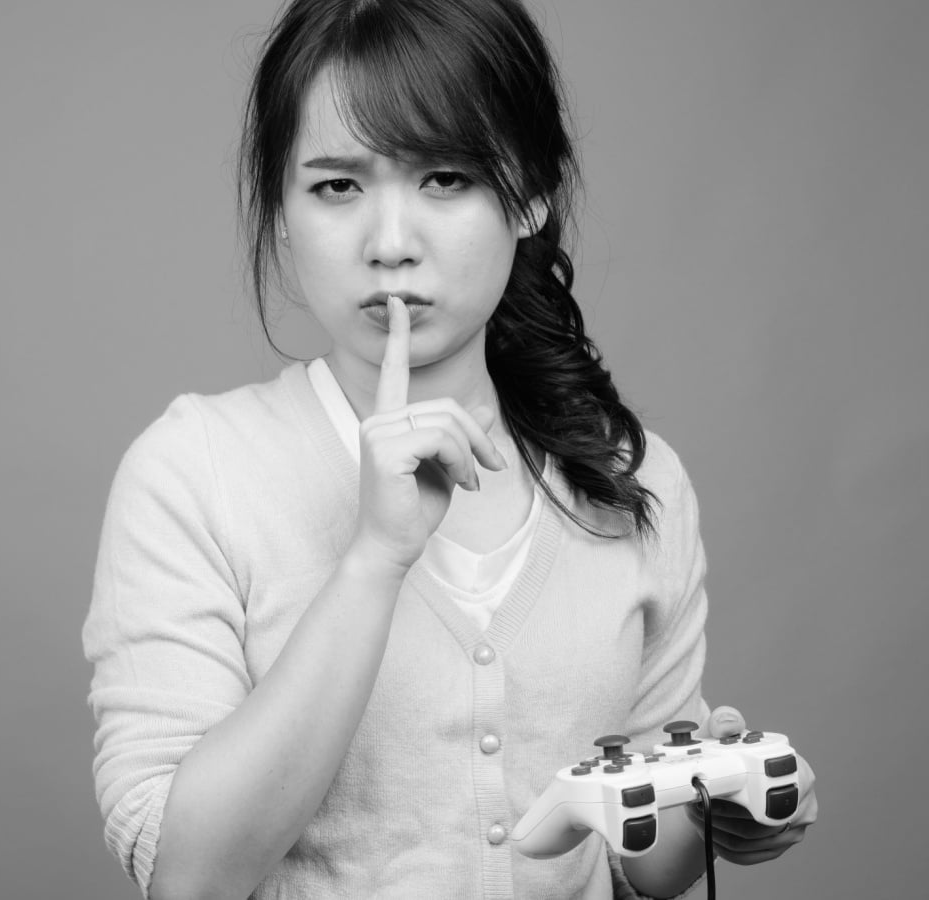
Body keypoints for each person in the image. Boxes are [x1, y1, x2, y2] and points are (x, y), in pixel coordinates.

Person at [82, 0, 817, 897]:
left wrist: (713, 816)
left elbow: (640, 866)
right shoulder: (194, 471)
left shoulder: (632, 481)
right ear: (279, 211)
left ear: (532, 195)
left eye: (446, 178)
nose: (391, 245)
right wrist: (372, 562)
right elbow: (186, 877)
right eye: (336, 187)